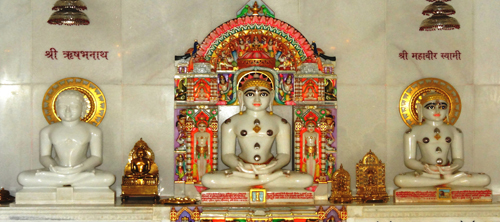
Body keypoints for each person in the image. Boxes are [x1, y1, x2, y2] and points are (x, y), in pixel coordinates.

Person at [201, 75, 313, 189]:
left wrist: (271, 167)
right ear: (240, 96)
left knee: (306, 180)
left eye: (263, 94)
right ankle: (263, 181)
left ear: (271, 96)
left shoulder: (281, 123)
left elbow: (284, 155)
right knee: (208, 180)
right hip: (242, 171)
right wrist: (241, 166)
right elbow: (227, 155)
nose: (257, 99)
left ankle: (255, 181)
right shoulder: (230, 123)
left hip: (270, 170)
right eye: (250, 94)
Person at [18, 90, 115, 187]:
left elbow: (97, 158)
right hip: (56, 173)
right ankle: (67, 180)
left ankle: (64, 181)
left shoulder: (93, 131)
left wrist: (80, 168)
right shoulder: (47, 131)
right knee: (23, 177)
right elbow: (44, 156)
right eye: (62, 107)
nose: (67, 111)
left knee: (108, 178)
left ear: (83, 109)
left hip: (82, 173)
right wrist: (53, 166)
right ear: (56, 108)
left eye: (73, 107)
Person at [394, 91, 490, 188]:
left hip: (447, 172)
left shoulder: (455, 131)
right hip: (426, 173)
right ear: (420, 108)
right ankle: (447, 181)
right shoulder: (413, 132)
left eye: (442, 107)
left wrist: (452, 167)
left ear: (448, 109)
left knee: (485, 179)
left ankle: (443, 180)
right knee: (400, 180)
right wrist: (424, 167)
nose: (437, 111)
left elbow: (459, 159)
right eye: (431, 107)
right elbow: (409, 160)